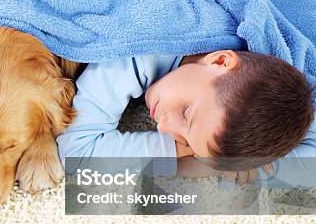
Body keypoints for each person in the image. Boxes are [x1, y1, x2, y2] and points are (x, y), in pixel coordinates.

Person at [57, 50, 315, 187]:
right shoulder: (141, 52)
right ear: (221, 60)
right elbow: (77, 155)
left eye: (184, 141)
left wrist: (215, 161)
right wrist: (175, 155)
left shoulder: (249, 80)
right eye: (186, 112)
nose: (163, 126)